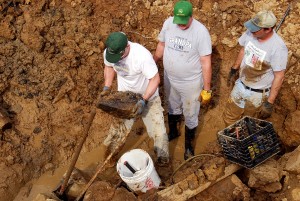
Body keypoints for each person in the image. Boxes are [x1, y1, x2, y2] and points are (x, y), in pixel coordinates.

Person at [153, 0, 212, 160]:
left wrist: (206, 89)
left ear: (191, 16)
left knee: (191, 113)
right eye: (178, 22)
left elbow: (206, 62)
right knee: (172, 106)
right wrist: (154, 61)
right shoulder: (168, 23)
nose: (180, 26)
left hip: (191, 82)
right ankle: (173, 131)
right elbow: (161, 45)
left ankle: (188, 147)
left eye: (184, 22)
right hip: (170, 78)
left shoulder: (200, 32)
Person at [100, 31, 169, 166]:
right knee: (117, 131)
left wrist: (144, 99)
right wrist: (107, 87)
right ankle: (109, 160)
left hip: (148, 96)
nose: (115, 60)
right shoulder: (110, 53)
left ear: (126, 47)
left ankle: (163, 161)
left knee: (158, 132)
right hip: (124, 98)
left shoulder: (141, 56)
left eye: (118, 56)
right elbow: (108, 67)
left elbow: (155, 79)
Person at [223, 10, 288, 126]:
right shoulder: (250, 33)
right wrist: (234, 68)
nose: (251, 30)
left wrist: (269, 103)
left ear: (268, 29)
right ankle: (231, 137)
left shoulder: (278, 48)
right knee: (230, 115)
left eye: (255, 29)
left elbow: (279, 76)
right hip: (240, 85)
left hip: (257, 94)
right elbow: (243, 50)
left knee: (250, 122)